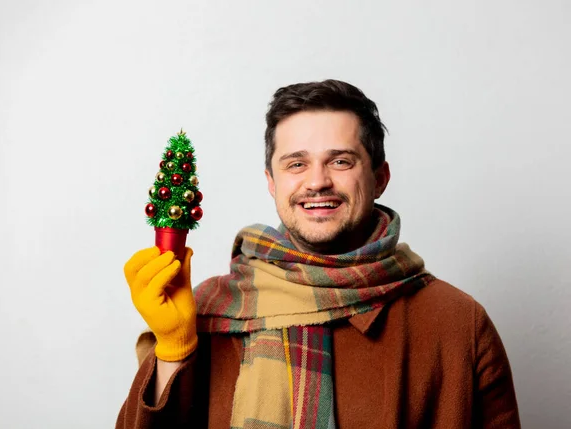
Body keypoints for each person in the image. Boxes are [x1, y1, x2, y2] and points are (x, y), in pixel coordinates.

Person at [117, 79, 521, 429]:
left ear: (380, 178)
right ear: (272, 183)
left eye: (340, 161)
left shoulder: (458, 324)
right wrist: (172, 352)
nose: (317, 182)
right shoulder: (208, 309)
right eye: (296, 164)